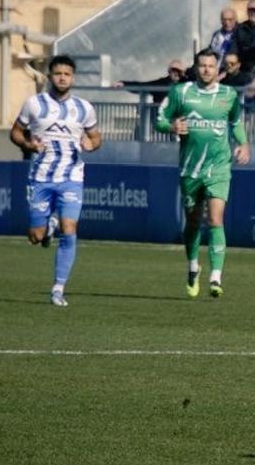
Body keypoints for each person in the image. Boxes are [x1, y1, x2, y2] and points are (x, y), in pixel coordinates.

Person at [156, 49, 250, 299]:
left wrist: (243, 143)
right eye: (203, 65)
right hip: (190, 169)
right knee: (194, 222)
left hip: (219, 167)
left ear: (216, 68)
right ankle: (193, 266)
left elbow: (235, 123)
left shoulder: (228, 94)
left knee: (216, 219)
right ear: (196, 68)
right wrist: (172, 126)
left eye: (211, 65)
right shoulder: (181, 92)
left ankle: (216, 277)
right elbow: (160, 118)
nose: (207, 69)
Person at [9, 55, 102, 307]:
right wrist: (28, 143)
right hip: (40, 177)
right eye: (58, 73)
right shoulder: (34, 104)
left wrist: (90, 145)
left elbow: (95, 138)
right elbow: (15, 132)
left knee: (70, 229)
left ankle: (58, 289)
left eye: (67, 74)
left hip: (72, 176)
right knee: (35, 236)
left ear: (72, 77)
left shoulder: (84, 108)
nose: (62, 77)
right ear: (50, 76)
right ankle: (48, 227)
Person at [114, 59, 186, 106]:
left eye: (179, 71)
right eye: (174, 70)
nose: (176, 73)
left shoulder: (186, 85)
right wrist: (124, 84)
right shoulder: (161, 84)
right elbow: (142, 86)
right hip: (161, 121)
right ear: (169, 72)